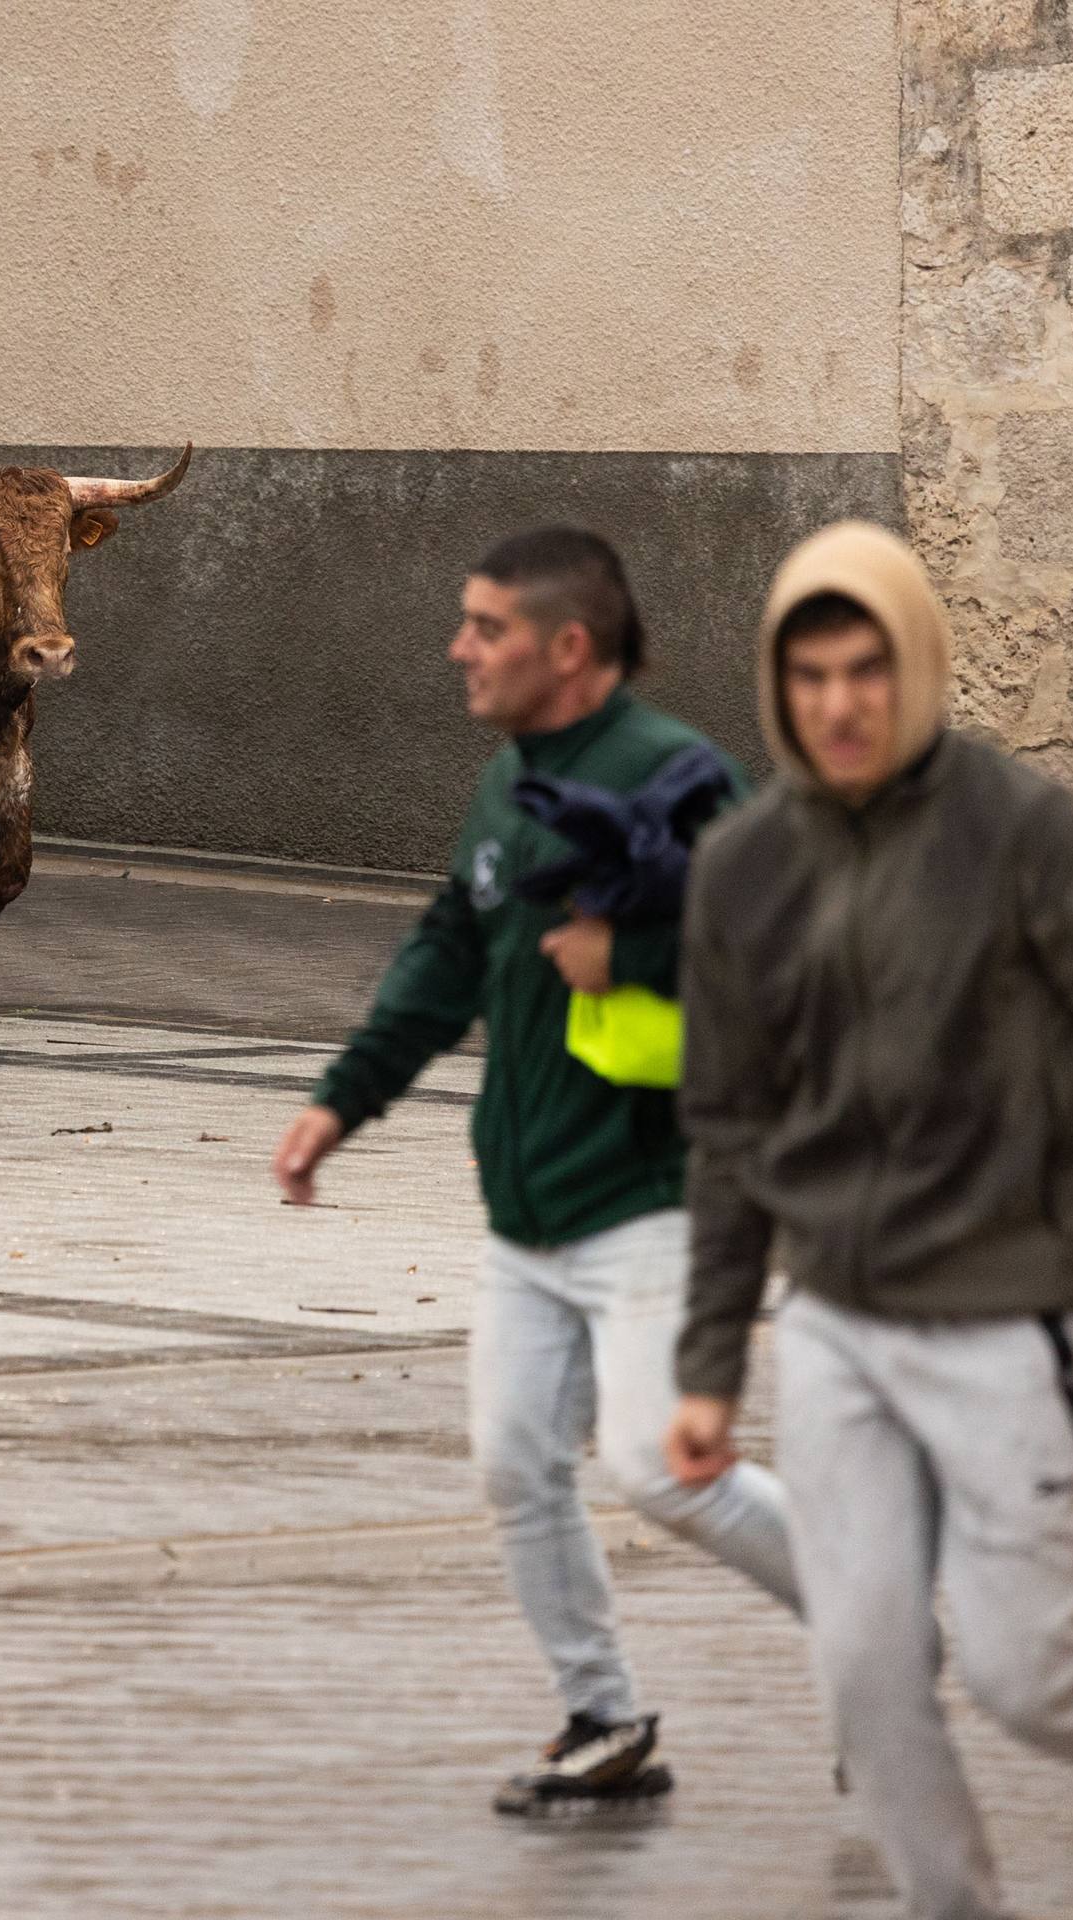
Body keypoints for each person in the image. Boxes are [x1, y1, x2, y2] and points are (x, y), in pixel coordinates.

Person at [667, 520, 1073, 1920]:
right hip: (837, 1328)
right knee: (864, 1671)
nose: (837, 704)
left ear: (918, 666)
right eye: (807, 674)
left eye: (866, 670)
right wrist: (706, 1364)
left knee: (1026, 1675)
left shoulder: (1018, 833)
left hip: (1018, 1320)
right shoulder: (743, 871)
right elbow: (726, 1136)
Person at [272, 527, 800, 1814]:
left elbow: (781, 957)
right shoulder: (508, 779)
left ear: (567, 647)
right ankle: (601, 1718)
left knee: (665, 1472)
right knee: (515, 1463)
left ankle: (884, 1619)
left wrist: (633, 959)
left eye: (485, 627)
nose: (458, 647)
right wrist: (342, 1102)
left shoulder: (680, 776)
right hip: (525, 1213)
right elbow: (445, 952)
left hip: (650, 1197)